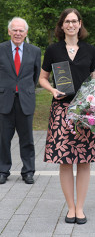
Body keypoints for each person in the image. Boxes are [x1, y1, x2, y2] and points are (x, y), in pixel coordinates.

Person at [39, 8, 95, 225]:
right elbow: (42, 78)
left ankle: (80, 208)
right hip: (61, 111)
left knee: (85, 161)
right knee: (65, 161)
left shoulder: (90, 50)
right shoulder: (52, 50)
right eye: (66, 21)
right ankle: (70, 208)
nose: (70, 25)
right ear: (61, 25)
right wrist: (52, 90)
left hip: (85, 113)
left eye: (74, 21)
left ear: (80, 24)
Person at [0, 17, 41, 185]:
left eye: (21, 30)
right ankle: (3, 170)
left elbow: (36, 75)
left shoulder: (35, 51)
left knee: (27, 139)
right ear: (9, 31)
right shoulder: (1, 49)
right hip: (4, 100)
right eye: (14, 30)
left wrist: (25, 90)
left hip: (25, 100)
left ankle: (28, 171)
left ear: (26, 33)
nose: (18, 33)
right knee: (3, 139)